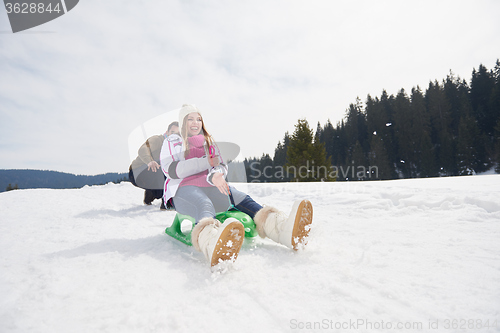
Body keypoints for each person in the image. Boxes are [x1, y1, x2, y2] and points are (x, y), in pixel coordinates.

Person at [160, 104, 313, 266]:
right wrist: (205, 162)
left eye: (198, 119)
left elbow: (219, 164)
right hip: (183, 190)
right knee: (202, 203)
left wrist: (216, 175)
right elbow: (172, 170)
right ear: (183, 122)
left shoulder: (209, 143)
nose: (195, 123)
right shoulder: (174, 141)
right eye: (190, 119)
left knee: (241, 198)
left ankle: (283, 231)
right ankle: (212, 244)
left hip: (210, 185)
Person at [129, 121, 179, 210]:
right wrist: (150, 161)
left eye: (178, 134)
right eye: (172, 132)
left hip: (152, 173)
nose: (174, 136)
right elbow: (143, 149)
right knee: (166, 170)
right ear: (167, 132)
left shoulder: (175, 147)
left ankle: (151, 193)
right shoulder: (158, 140)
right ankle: (167, 204)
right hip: (137, 173)